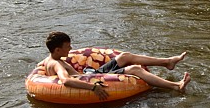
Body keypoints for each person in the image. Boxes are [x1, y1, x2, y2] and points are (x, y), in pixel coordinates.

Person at [42, 31, 191, 101]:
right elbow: (66, 81)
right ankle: (175, 86)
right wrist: (93, 87)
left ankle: (167, 62)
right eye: (68, 46)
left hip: (91, 72)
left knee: (125, 56)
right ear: (57, 50)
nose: (71, 48)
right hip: (92, 79)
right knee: (134, 69)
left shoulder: (50, 59)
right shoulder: (56, 64)